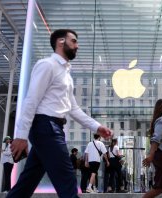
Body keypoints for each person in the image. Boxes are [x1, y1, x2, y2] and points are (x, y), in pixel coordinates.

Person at [7, 29, 112, 198]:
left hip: (52, 128)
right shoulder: (47, 65)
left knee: (26, 184)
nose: (77, 46)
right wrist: (21, 136)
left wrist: (97, 127)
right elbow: (31, 100)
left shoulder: (66, 75)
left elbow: (73, 109)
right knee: (68, 183)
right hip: (46, 127)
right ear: (61, 41)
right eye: (74, 41)